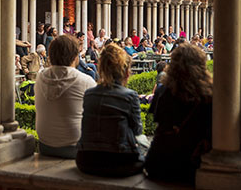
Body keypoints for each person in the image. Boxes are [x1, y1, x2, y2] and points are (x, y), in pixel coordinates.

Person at [144, 44, 212, 184]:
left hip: (159, 164)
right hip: (190, 166)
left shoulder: (163, 91)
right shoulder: (208, 95)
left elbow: (157, 122)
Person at [76, 44, 144, 177]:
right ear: (125, 72)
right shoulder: (130, 96)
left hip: (85, 161)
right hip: (119, 162)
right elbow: (137, 130)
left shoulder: (89, 94)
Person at [35, 34, 96, 158]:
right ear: (75, 56)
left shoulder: (40, 76)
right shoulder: (85, 81)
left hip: (45, 145)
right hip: (75, 148)